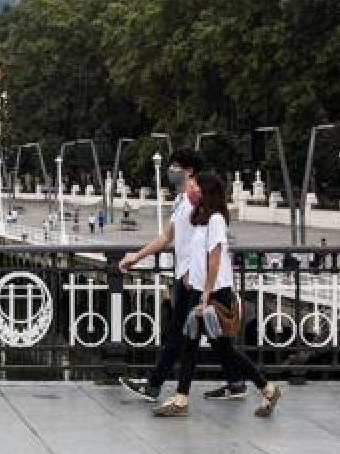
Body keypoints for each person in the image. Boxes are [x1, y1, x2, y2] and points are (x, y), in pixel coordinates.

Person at [118, 150, 247, 402]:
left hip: (192, 281)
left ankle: (155, 386)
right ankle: (236, 381)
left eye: (176, 166)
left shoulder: (193, 205)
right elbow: (167, 237)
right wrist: (137, 256)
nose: (171, 171)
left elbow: (196, 247)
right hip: (190, 278)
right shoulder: (183, 203)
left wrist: (188, 275)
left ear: (189, 172)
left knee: (180, 335)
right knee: (211, 338)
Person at [154, 173, 282, 418]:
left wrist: (206, 294)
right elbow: (200, 257)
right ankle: (265, 388)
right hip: (201, 289)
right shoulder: (202, 219)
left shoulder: (216, 220)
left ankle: (266, 387)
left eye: (199, 188)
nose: (195, 191)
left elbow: (214, 259)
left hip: (214, 292)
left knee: (222, 348)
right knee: (196, 343)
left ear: (208, 193)